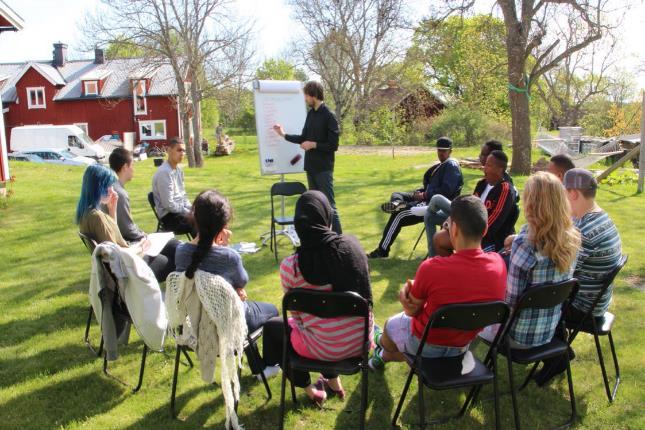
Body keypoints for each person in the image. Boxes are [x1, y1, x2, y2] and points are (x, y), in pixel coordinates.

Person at [260, 191, 374, 407]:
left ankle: (311, 390)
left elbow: (298, 318)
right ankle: (334, 382)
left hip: (321, 347)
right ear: (327, 217)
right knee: (326, 327)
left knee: (275, 328)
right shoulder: (353, 248)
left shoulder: (290, 267)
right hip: (360, 343)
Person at [369, 195, 507, 371]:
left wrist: (407, 293)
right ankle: (381, 356)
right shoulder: (499, 264)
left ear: (454, 229)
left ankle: (380, 344)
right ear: (485, 229)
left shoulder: (431, 268)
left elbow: (412, 310)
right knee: (400, 333)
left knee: (390, 325)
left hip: (424, 345)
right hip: (463, 345)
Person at [173, 189, 279, 378]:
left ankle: (259, 366)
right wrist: (225, 247)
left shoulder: (180, 252)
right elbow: (241, 281)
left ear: (194, 217)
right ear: (223, 224)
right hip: (227, 324)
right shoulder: (229, 257)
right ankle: (266, 367)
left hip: (195, 325)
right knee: (271, 311)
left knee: (237, 307)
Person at [534, 168, 622, 385]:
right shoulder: (600, 218)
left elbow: (560, 274)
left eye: (563, 192)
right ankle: (556, 352)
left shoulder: (585, 231)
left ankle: (557, 357)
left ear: (573, 194)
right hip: (597, 301)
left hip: (584, 307)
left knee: (532, 299)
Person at [481, 172, 581, 349]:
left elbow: (510, 304)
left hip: (517, 336)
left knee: (470, 311)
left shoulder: (526, 246)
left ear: (531, 203)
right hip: (549, 330)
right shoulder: (572, 238)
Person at [75, 164, 175, 282]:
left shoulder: (86, 213)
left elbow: (112, 238)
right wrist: (141, 247)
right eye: (109, 186)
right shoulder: (97, 217)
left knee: (172, 246)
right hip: (129, 267)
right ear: (98, 187)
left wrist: (112, 210)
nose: (112, 191)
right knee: (172, 260)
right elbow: (116, 256)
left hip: (125, 260)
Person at [367, 137, 463, 259]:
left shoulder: (451, 165)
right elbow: (433, 186)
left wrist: (424, 195)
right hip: (426, 197)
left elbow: (446, 191)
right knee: (397, 194)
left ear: (450, 151)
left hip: (434, 205)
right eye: (439, 150)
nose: (441, 153)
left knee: (399, 215)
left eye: (444, 150)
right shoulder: (442, 165)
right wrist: (420, 192)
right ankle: (398, 204)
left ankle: (382, 251)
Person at [272, 81, 342, 233]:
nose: (304, 98)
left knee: (329, 206)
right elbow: (303, 138)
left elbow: (333, 145)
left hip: (323, 169)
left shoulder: (329, 116)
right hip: (310, 167)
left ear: (313, 95)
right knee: (315, 205)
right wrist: (283, 135)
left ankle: (339, 242)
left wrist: (314, 145)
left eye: (306, 95)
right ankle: (321, 239)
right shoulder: (311, 114)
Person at [432, 150, 518, 257]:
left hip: (490, 240)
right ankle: (453, 269)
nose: (484, 168)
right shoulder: (482, 184)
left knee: (459, 247)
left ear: (500, 169)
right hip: (470, 233)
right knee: (439, 238)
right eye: (485, 164)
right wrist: (451, 220)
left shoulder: (505, 190)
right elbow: (468, 209)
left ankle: (463, 269)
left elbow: (493, 224)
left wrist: (465, 231)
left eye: (489, 165)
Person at [424, 139, 503, 256]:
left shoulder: (504, 187)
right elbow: (471, 205)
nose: (480, 156)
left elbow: (494, 220)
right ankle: (434, 258)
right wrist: (450, 220)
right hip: (468, 220)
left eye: (483, 154)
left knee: (437, 199)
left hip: (476, 231)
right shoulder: (482, 184)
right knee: (429, 216)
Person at [108, 147, 179, 266]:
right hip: (130, 248)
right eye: (133, 165)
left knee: (174, 245)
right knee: (174, 252)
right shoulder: (118, 193)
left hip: (126, 244)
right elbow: (127, 229)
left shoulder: (113, 188)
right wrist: (145, 236)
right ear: (125, 167)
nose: (133, 169)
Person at [151, 137, 195, 236]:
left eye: (183, 151)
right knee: (200, 222)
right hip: (169, 217)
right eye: (179, 150)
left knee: (205, 217)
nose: (182, 153)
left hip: (180, 212)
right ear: (169, 151)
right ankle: (202, 250)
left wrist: (192, 209)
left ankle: (209, 249)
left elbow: (183, 196)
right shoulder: (164, 173)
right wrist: (188, 212)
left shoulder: (179, 170)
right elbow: (168, 204)